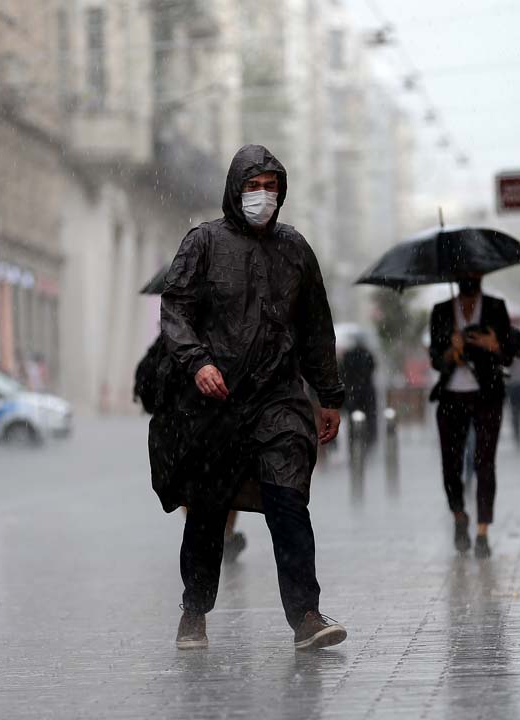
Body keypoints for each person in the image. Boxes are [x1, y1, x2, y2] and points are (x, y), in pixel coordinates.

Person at [149, 145, 347, 651]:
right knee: (207, 512)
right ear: (235, 191)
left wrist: (329, 394)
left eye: (270, 186)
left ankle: (305, 615)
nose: (262, 196)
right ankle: (194, 610)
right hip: (215, 404)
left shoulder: (296, 250)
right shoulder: (204, 242)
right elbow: (176, 312)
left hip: (277, 398)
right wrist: (199, 362)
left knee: (289, 501)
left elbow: (316, 329)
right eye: (252, 186)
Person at [428, 276, 520, 559]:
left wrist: (494, 345)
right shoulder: (441, 310)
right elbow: (436, 359)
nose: (468, 298)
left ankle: (483, 531)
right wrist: (452, 351)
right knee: (451, 463)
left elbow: (509, 354)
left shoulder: (496, 308)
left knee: (485, 462)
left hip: (487, 395)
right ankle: (459, 515)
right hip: (451, 395)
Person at [134, 334, 247, 563]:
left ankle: (206, 532)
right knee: (226, 485)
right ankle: (222, 533)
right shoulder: (217, 337)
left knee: (191, 490)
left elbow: (146, 384)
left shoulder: (167, 341)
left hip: (179, 431)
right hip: (207, 426)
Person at [339, 338, 377, 448]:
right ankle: (367, 442)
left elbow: (343, 374)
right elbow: (372, 369)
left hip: (352, 393)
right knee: (368, 419)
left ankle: (354, 443)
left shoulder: (347, 356)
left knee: (353, 421)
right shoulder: (367, 355)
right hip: (366, 394)